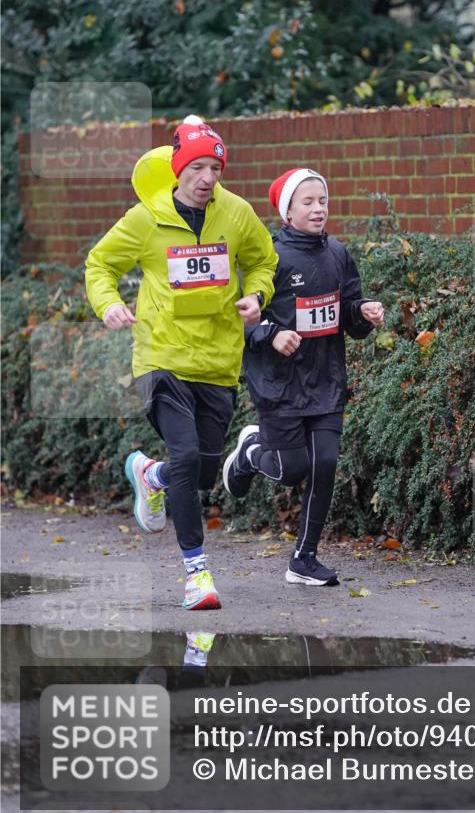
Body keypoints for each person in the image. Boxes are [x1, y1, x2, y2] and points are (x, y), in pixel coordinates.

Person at [85, 115, 278, 610]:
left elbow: (263, 260)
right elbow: (100, 263)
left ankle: (152, 476)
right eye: (197, 167)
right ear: (177, 168)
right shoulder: (145, 218)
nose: (206, 178)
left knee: (204, 474)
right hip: (161, 357)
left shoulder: (236, 213)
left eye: (215, 168)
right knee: (189, 459)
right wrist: (108, 303)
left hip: (217, 361)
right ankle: (197, 574)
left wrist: (257, 295)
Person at [222, 168, 384, 586]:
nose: (318, 209)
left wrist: (363, 312)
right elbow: (239, 321)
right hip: (280, 385)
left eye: (323, 201)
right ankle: (251, 452)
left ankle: (304, 559)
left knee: (325, 464)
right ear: (287, 211)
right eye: (307, 202)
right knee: (292, 470)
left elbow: (347, 314)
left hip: (326, 380)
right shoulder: (268, 258)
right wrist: (272, 334)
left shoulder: (338, 254)